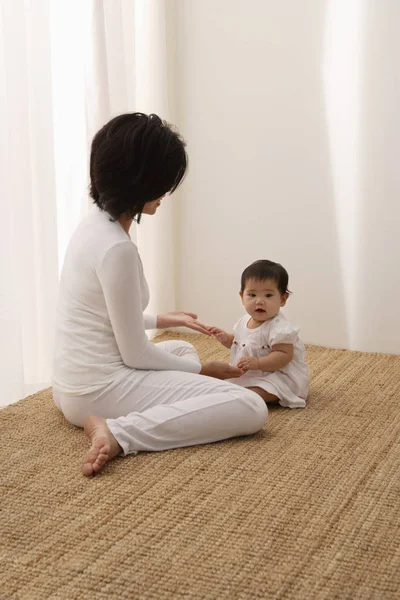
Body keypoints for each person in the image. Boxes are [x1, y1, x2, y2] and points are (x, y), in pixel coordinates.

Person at [52, 113, 268, 476]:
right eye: (162, 182)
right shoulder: (116, 248)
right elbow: (135, 354)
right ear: (141, 181)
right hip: (96, 389)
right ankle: (118, 432)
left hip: (70, 382)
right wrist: (205, 370)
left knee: (180, 348)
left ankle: (115, 415)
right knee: (249, 406)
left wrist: (161, 320)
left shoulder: (93, 226)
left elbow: (97, 315)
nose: (166, 193)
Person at [209, 260, 309, 408]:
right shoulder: (244, 321)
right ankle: (236, 394)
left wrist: (256, 363)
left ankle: (249, 397)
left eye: (268, 295)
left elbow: (284, 355)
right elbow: (240, 343)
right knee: (224, 383)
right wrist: (226, 338)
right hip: (250, 373)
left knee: (262, 391)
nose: (259, 301)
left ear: (282, 299)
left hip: (277, 375)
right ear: (242, 296)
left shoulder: (279, 328)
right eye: (252, 294)